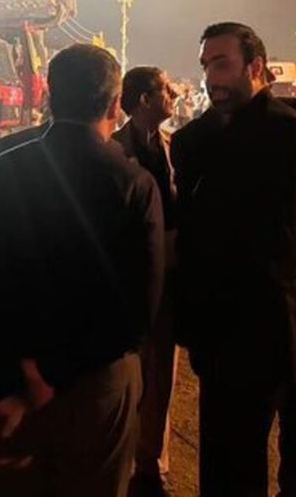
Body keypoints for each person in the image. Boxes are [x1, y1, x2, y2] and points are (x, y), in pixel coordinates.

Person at [0, 44, 164, 497]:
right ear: (114, 104)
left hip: (13, 383)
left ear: (50, 95)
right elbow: (141, 305)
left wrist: (11, 377)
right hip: (98, 384)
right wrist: (59, 374)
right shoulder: (134, 184)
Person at [171, 22, 296, 497]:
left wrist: (287, 340)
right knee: (228, 455)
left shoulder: (286, 131)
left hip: (280, 312)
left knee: (292, 437)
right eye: (206, 66)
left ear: (255, 66)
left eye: (221, 64)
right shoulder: (198, 137)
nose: (210, 78)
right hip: (226, 322)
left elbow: (286, 242)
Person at [113, 67, 179, 497]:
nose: (174, 95)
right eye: (166, 89)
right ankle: (121, 463)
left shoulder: (176, 147)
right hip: (128, 284)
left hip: (169, 282)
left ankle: (152, 466)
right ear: (143, 100)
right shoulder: (113, 150)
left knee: (162, 377)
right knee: (126, 377)